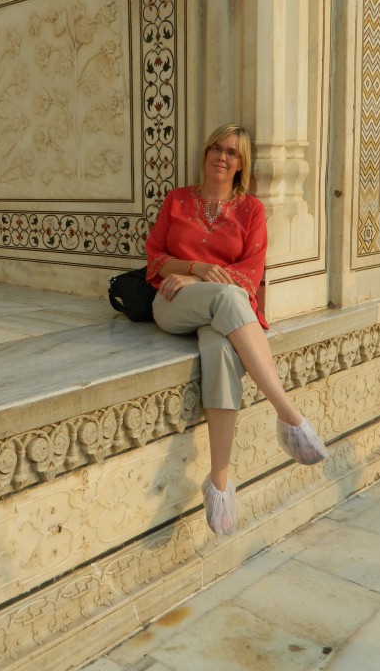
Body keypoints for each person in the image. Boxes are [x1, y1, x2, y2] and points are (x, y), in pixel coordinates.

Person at [145, 123, 328, 535]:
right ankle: (289, 415)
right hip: (173, 304)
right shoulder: (176, 201)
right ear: (206, 153)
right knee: (229, 299)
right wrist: (194, 269)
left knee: (220, 353)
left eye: (232, 152)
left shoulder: (251, 211)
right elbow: (154, 259)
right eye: (217, 148)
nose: (222, 157)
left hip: (217, 311)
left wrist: (202, 280)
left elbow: (250, 274)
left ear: (241, 164)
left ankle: (220, 483)